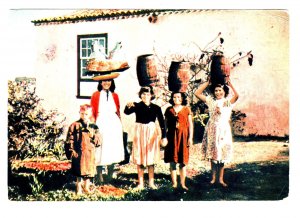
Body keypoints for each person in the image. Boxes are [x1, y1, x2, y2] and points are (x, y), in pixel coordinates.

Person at [195, 78, 239, 187]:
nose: (218, 92)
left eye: (220, 90)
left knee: (222, 153)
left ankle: (221, 179)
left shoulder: (227, 102)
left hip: (223, 130)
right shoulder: (210, 101)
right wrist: (208, 83)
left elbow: (237, 96)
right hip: (213, 129)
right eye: (216, 91)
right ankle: (213, 178)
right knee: (213, 154)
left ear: (224, 91)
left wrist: (230, 83)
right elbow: (197, 93)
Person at [124, 86, 168, 189]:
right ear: (140, 95)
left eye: (148, 94)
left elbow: (162, 122)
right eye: (143, 94)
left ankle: (151, 183)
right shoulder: (137, 105)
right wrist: (127, 106)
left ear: (151, 95)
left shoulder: (156, 107)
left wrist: (164, 136)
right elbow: (126, 112)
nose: (145, 96)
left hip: (151, 133)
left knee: (150, 157)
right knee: (140, 157)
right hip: (139, 133)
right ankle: (140, 183)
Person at [90, 76, 125, 184]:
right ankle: (99, 177)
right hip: (101, 123)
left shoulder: (115, 95)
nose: (106, 83)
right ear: (100, 82)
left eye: (108, 80)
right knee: (100, 148)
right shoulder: (96, 95)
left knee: (112, 148)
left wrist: (120, 125)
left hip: (114, 124)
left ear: (112, 82)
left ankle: (109, 176)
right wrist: (93, 128)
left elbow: (118, 111)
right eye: (104, 80)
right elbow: (92, 111)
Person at [65, 104, 102, 195]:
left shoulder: (94, 127)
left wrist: (93, 136)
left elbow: (99, 140)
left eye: (86, 114)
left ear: (89, 114)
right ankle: (79, 188)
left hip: (89, 152)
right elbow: (70, 139)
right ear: (79, 113)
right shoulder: (74, 125)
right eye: (82, 113)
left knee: (88, 170)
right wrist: (71, 150)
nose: (84, 116)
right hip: (79, 151)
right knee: (79, 170)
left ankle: (86, 187)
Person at [164, 92, 193, 191]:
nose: (176, 98)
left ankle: (183, 183)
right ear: (172, 98)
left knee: (183, 161)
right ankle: (174, 183)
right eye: (174, 97)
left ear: (182, 98)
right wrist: (164, 137)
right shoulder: (169, 110)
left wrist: (190, 138)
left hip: (183, 137)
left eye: (178, 97)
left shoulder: (186, 109)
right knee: (172, 161)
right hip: (172, 138)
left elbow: (190, 125)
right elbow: (165, 125)